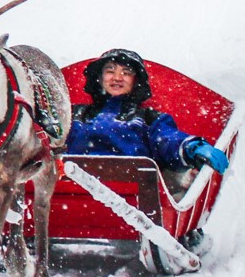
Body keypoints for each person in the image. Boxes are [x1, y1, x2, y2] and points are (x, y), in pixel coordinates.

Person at [66, 49, 229, 191]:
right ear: (100, 78)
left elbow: (168, 139)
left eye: (126, 73)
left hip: (132, 198)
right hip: (70, 190)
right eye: (110, 71)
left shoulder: (147, 118)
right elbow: (49, 136)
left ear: (135, 82)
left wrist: (191, 147)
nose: (117, 77)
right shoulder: (75, 114)